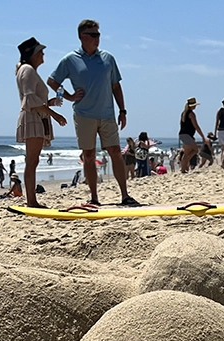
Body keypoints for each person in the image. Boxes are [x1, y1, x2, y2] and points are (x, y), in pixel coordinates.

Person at [47, 19, 137, 206]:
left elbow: (116, 86)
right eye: (93, 35)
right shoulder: (70, 59)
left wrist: (123, 110)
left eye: (99, 34)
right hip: (83, 114)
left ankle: (125, 195)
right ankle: (94, 197)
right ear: (82, 37)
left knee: (115, 152)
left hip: (107, 114)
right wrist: (69, 96)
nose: (98, 38)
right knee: (88, 155)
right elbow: (52, 81)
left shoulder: (108, 58)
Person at [15, 37, 68, 208]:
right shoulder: (27, 70)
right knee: (32, 161)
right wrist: (54, 115)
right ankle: (31, 201)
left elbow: (32, 98)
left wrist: (49, 103)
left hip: (35, 116)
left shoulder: (28, 70)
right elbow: (29, 99)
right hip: (32, 118)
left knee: (33, 160)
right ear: (33, 54)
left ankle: (32, 199)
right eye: (40, 51)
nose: (43, 54)